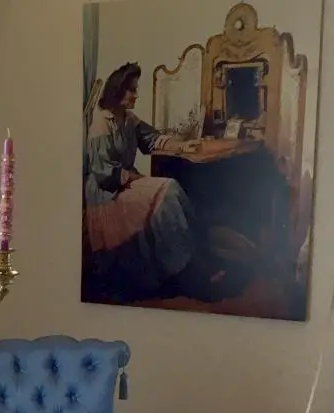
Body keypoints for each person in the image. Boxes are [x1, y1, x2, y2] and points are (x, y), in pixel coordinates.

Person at [82, 62, 243, 303]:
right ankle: (190, 269)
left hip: (126, 183)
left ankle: (193, 262)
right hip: (106, 193)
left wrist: (181, 146)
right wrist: (134, 178)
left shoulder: (128, 119)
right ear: (118, 90)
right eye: (132, 90)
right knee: (167, 190)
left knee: (172, 189)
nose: (136, 95)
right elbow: (103, 172)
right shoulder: (101, 123)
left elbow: (153, 140)